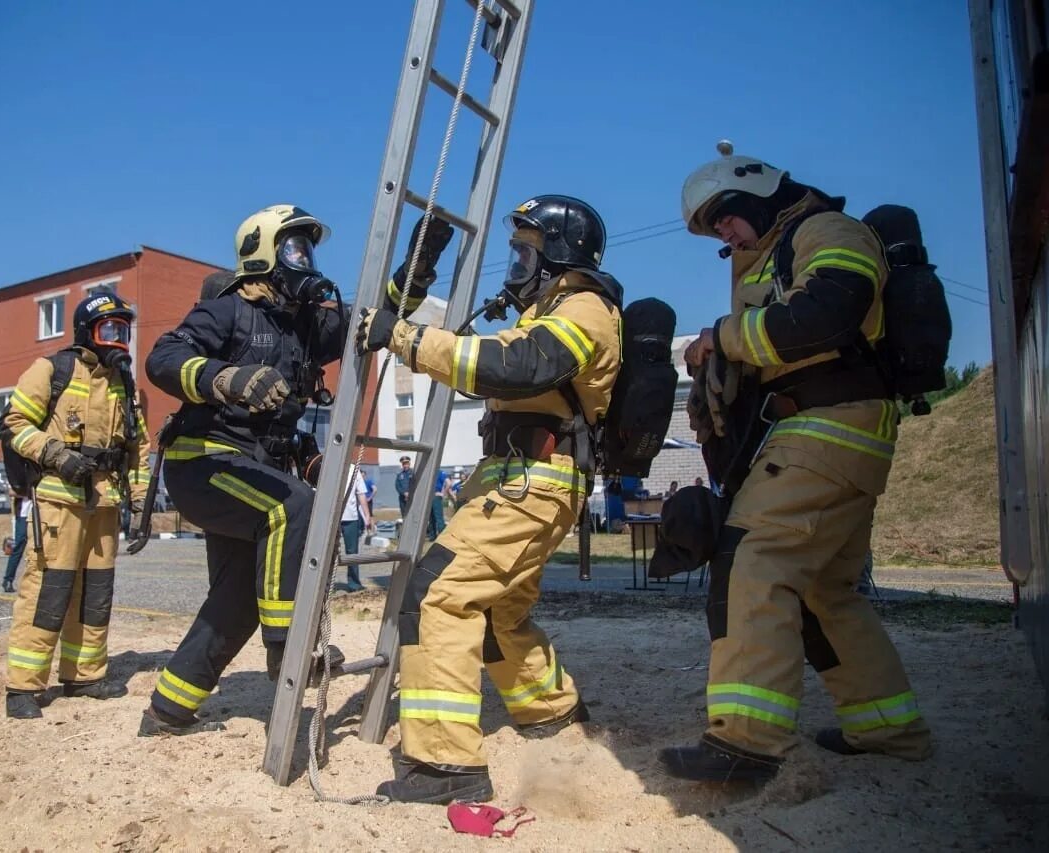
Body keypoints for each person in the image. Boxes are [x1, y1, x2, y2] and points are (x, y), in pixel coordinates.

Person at [661, 147, 931, 782]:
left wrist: (724, 337)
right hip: (830, 431)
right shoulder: (777, 252)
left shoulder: (826, 232)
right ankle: (889, 729)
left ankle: (746, 745)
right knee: (824, 591)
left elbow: (826, 313)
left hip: (827, 426)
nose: (723, 234)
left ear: (757, 194)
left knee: (752, 561)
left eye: (724, 217)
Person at [137, 206, 454, 736]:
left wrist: (418, 266)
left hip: (255, 470)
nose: (305, 260)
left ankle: (167, 710)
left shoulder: (303, 325)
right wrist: (226, 379)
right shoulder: (228, 310)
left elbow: (374, 319)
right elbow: (162, 358)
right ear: (262, 252)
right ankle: (289, 651)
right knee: (296, 507)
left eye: (308, 249)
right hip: (206, 463)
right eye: (294, 248)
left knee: (237, 600)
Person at [356, 194, 622, 804]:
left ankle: (443, 767)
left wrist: (405, 337)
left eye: (524, 250)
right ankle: (551, 713)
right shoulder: (553, 309)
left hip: (535, 480)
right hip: (520, 477)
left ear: (556, 253)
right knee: (500, 613)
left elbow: (514, 366)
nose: (515, 263)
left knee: (437, 596)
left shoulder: (585, 309)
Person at [0, 290, 151, 719]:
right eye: (109, 329)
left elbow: (137, 447)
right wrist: (56, 454)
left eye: (123, 330)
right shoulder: (52, 370)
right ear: (87, 330)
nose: (118, 338)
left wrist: (138, 502)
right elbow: (14, 424)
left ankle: (84, 674)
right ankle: (23, 687)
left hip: (104, 502)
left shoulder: (124, 384)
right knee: (49, 590)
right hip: (58, 501)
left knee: (95, 594)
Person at [339, 464, 374, 592]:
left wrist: (367, 515)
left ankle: (354, 583)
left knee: (352, 552)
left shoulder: (354, 469)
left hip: (350, 516)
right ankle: (325, 583)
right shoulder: (329, 464)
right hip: (332, 517)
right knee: (329, 553)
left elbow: (361, 494)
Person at [1, 491, 32, 593]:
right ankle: (8, 580)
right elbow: (12, 492)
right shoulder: (19, 475)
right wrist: (32, 492)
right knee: (18, 547)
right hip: (24, 515)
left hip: (40, 514)